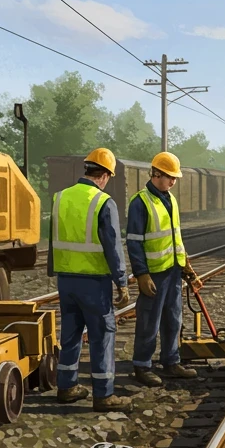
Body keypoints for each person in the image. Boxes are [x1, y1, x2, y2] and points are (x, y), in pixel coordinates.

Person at [48, 148, 131, 412]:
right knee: (101, 335)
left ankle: (67, 386)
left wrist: (55, 269)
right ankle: (104, 395)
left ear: (87, 170)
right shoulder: (103, 202)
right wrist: (122, 282)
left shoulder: (60, 198)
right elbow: (113, 246)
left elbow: (53, 239)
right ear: (105, 175)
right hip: (94, 282)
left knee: (70, 334)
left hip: (66, 280)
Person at [125, 150, 202, 385]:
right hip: (154, 274)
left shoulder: (170, 199)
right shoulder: (141, 202)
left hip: (172, 271)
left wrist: (187, 268)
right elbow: (134, 242)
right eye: (170, 177)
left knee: (173, 319)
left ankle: (171, 361)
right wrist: (141, 274)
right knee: (149, 321)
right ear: (156, 174)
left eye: (175, 177)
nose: (174, 181)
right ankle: (142, 366)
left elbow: (175, 238)